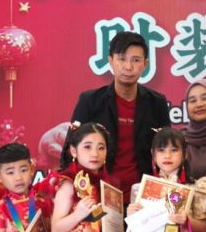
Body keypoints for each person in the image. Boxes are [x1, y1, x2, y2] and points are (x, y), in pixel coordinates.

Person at [70, 31, 171, 202]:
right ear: (111, 61)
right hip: (97, 196)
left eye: (136, 60)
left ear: (145, 64)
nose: (128, 67)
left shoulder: (156, 103)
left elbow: (167, 148)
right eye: (122, 59)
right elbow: (70, 150)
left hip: (144, 198)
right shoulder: (90, 101)